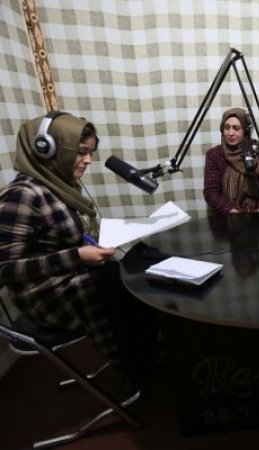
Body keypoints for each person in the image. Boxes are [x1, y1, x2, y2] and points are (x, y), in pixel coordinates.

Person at [0, 111, 158, 391]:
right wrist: (76, 256)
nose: (88, 160)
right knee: (128, 290)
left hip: (70, 276)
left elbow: (58, 240)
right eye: (81, 152)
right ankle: (137, 369)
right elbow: (5, 268)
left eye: (90, 153)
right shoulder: (23, 195)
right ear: (47, 149)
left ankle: (147, 354)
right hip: (46, 295)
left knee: (141, 265)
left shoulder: (57, 186)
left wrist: (86, 248)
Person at [203, 107, 259, 214]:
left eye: (236, 128)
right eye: (227, 128)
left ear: (246, 131)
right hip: (226, 215)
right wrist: (233, 212)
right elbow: (211, 193)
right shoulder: (214, 155)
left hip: (258, 215)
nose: (230, 133)